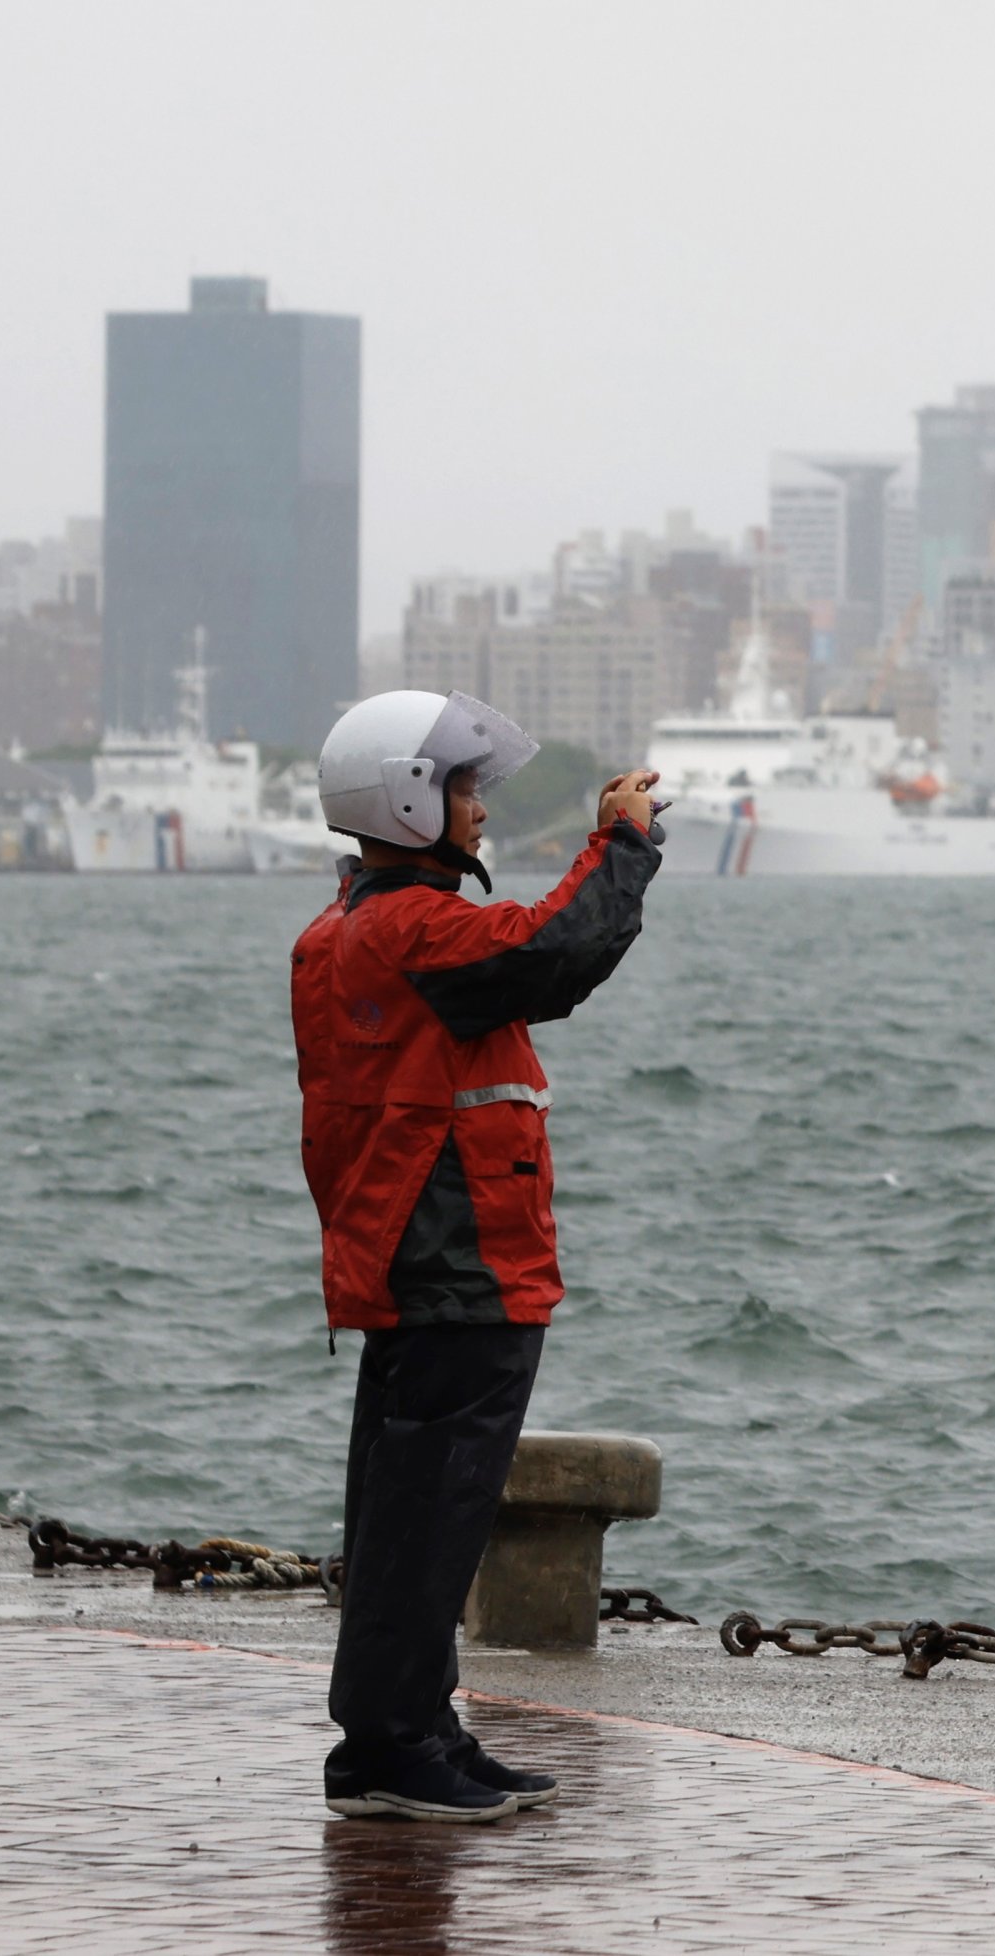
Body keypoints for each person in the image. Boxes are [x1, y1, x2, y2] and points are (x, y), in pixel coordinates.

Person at [293, 688, 661, 1823]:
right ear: (403, 797)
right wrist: (625, 843)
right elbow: (556, 951)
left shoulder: (343, 930)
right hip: (459, 1262)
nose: (480, 810)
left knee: (412, 1508)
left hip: (422, 1260)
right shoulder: (413, 933)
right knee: (429, 1508)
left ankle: (407, 1727)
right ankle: (391, 1744)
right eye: (461, 787)